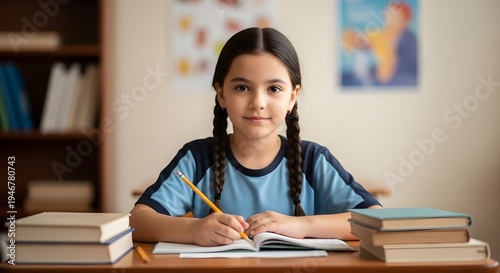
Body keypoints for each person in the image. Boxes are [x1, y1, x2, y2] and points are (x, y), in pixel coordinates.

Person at [130, 27, 382, 246]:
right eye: (242, 88)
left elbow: (375, 219)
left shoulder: (313, 159)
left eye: (274, 89)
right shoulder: (197, 158)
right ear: (221, 93)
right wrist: (195, 230)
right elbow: (138, 220)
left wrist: (302, 226)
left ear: (292, 97)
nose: (258, 102)